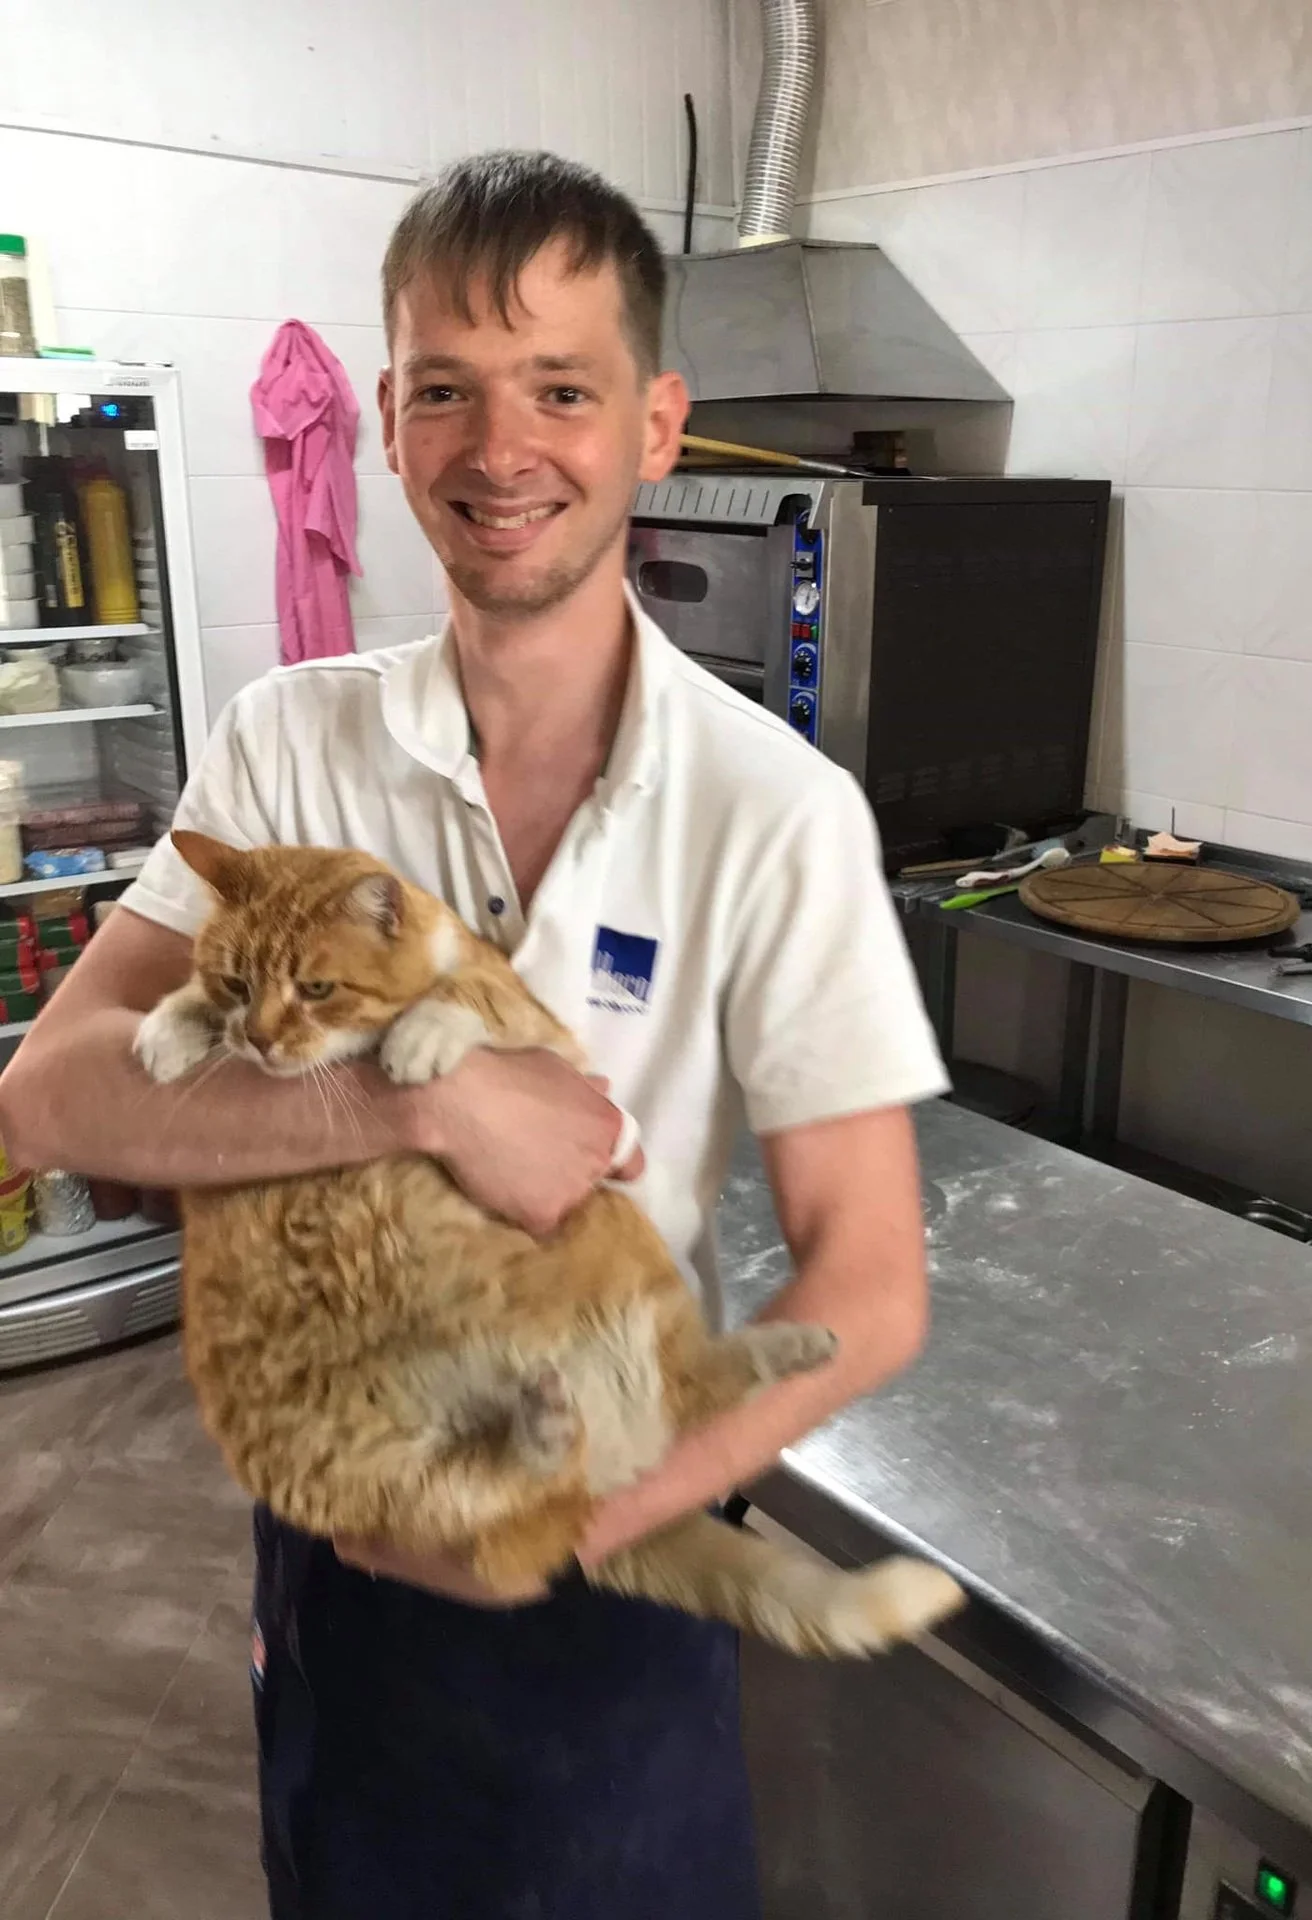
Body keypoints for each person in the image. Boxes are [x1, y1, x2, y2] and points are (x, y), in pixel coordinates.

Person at [0, 151, 949, 1920]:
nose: (500, 450)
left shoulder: (779, 811)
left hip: (608, 1511)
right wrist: (420, 1112)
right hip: (343, 1529)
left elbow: (870, 1275)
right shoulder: (287, 744)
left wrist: (578, 1528)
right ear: (385, 418)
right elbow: (45, 1095)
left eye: (562, 390)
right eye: (447, 388)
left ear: (657, 424)